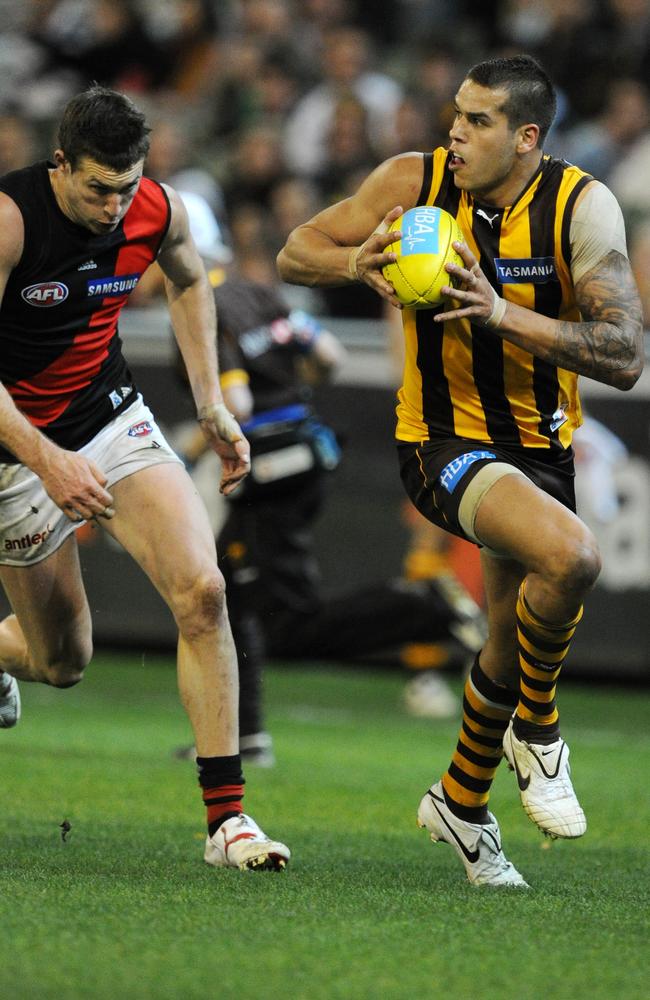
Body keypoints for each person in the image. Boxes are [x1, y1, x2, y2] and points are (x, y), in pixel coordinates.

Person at [277, 54, 644, 887]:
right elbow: (299, 250)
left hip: (543, 445)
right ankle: (540, 732)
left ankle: (461, 802)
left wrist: (500, 310)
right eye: (456, 113)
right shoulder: (413, 182)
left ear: (525, 138)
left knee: (511, 638)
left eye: (478, 121)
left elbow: (625, 354)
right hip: (439, 442)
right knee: (575, 557)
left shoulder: (582, 206)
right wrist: (353, 266)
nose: (456, 130)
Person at [0, 85, 290, 872]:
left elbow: (195, 282)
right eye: (98, 188)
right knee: (62, 662)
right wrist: (44, 458)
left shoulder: (156, 209)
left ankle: (227, 823)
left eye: (127, 187)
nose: (114, 206)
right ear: (60, 165)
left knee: (204, 592)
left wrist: (211, 404)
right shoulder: (10, 220)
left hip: (109, 416)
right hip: (12, 449)